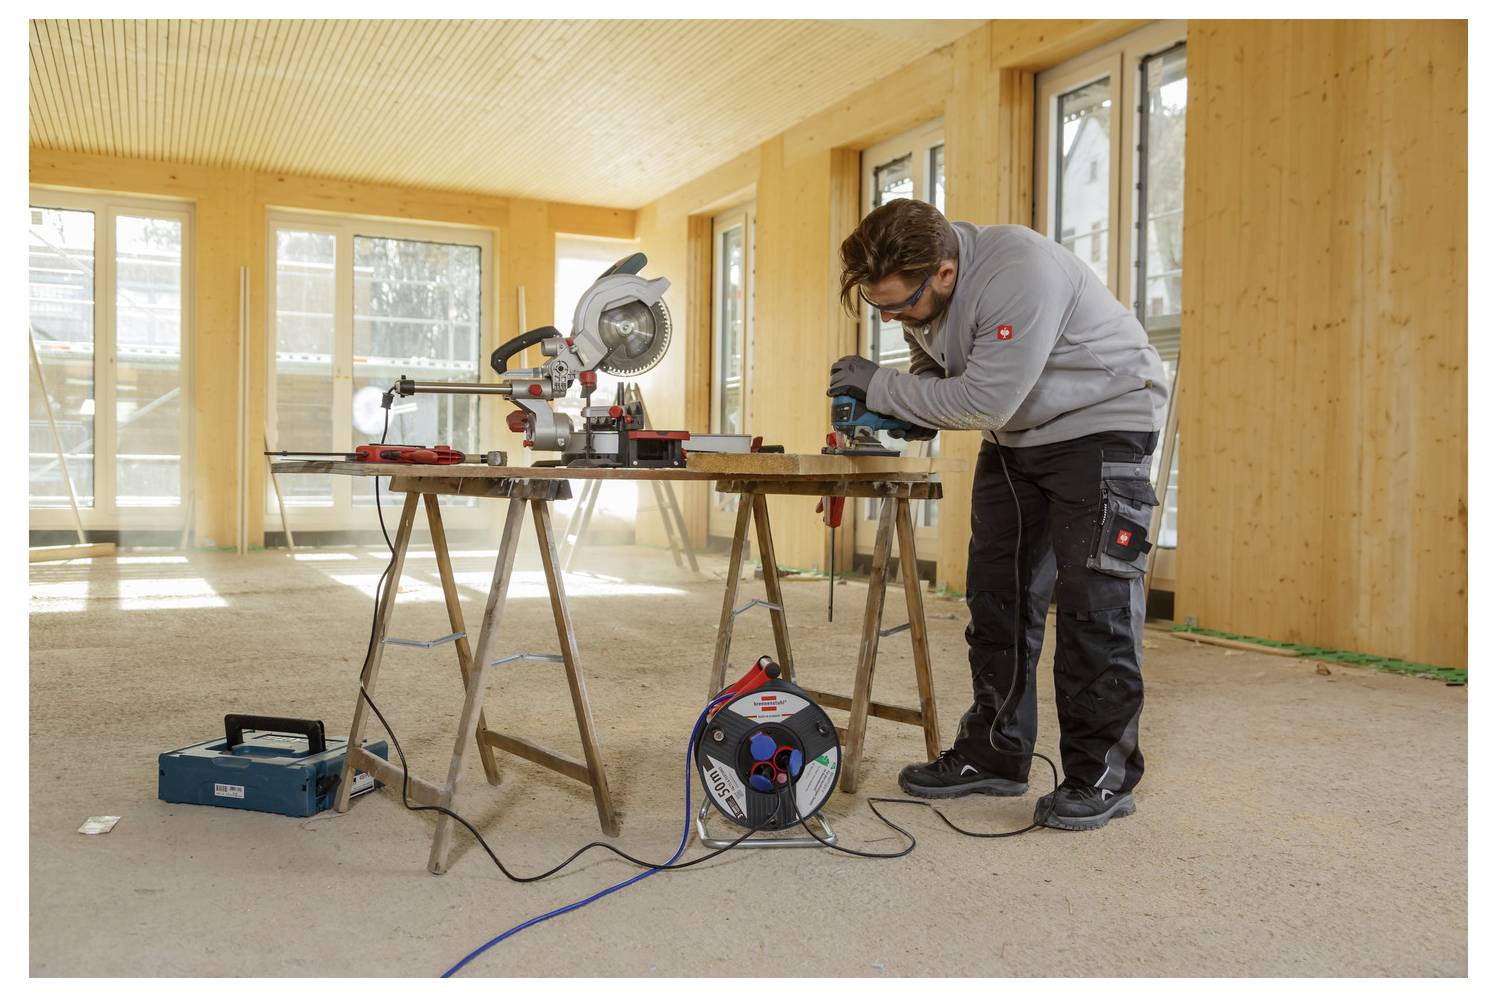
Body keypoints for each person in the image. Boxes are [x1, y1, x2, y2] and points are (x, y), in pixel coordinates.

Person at [829, 198, 1168, 830]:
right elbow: (941, 374)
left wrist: (880, 386)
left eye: (900, 304)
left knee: (1096, 605)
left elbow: (983, 397)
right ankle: (997, 750)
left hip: (1102, 425)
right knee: (997, 599)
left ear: (945, 272)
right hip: (1017, 437)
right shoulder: (924, 290)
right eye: (882, 307)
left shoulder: (1019, 269)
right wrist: (906, 407)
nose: (894, 317)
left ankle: (1101, 775)